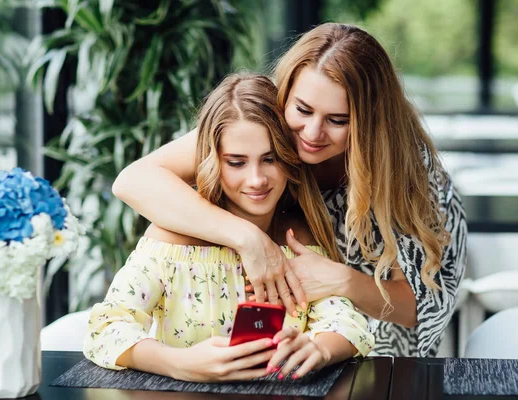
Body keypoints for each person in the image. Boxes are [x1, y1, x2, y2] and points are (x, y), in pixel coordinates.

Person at [112, 23, 468, 357]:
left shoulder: (408, 169)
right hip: (289, 343)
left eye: (338, 120)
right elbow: (133, 180)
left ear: (370, 120)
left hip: (384, 352)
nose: (312, 133)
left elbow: (423, 310)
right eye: (302, 109)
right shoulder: (264, 118)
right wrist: (250, 239)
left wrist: (343, 280)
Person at [84, 73, 374, 382]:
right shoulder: (170, 243)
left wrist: (318, 348)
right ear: (211, 161)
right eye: (236, 162)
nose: (257, 180)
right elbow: (105, 328)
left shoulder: (297, 238)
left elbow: (347, 322)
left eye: (270, 159)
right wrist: (179, 363)